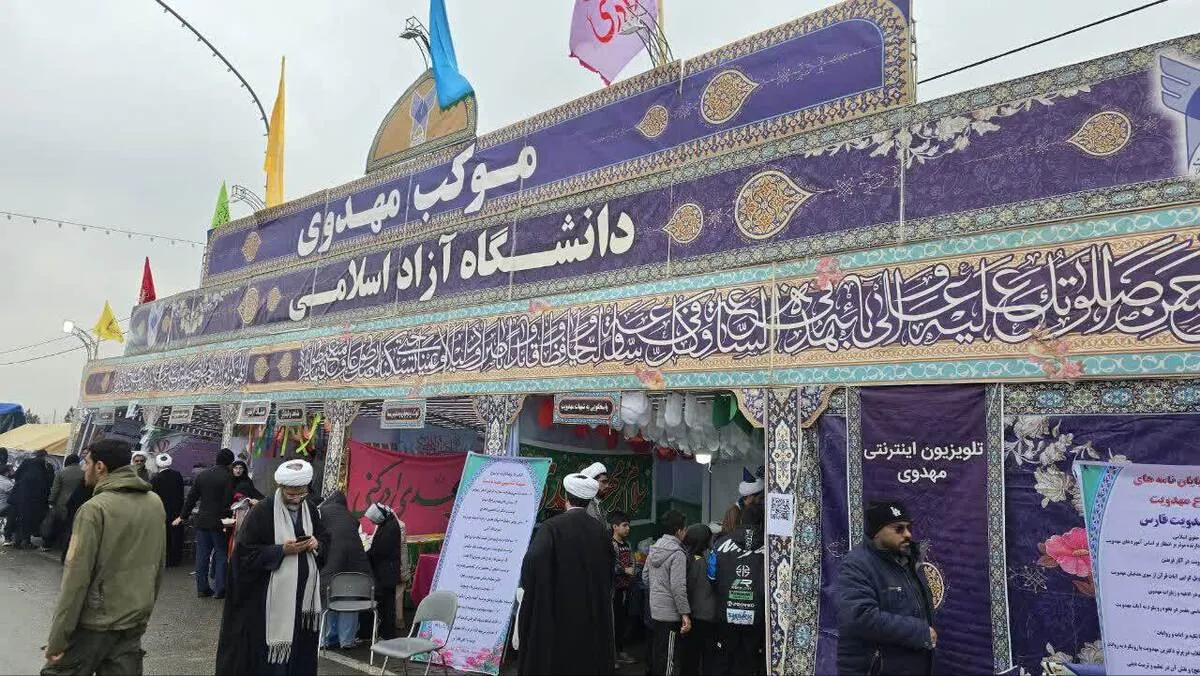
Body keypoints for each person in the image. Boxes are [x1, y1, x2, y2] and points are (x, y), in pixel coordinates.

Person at [41, 440, 166, 676]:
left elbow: (76, 579)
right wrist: (144, 611)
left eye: (86, 463)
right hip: (133, 619)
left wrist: (58, 638)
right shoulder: (154, 503)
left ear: (100, 466)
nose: (83, 469)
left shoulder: (94, 509)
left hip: (95, 623)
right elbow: (158, 565)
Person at [215, 459, 329, 676]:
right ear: (281, 487)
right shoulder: (263, 511)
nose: (296, 498)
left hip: (302, 600)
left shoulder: (311, 509)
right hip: (269, 601)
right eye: (291, 494)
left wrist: (318, 543)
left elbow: (325, 539)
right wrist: (281, 550)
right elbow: (244, 555)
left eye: (301, 493)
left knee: (299, 653)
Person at [517, 473, 615, 676]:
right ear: (589, 501)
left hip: (557, 612)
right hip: (590, 612)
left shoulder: (551, 527)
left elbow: (532, 562)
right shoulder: (600, 530)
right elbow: (608, 569)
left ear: (565, 498)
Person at [836, 501, 936, 676]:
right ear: (876, 532)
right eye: (899, 529)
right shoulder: (857, 565)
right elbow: (860, 617)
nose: (908, 534)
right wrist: (919, 632)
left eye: (908, 528)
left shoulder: (909, 561)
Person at [708, 501, 766, 676]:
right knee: (749, 659)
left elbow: (711, 576)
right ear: (762, 522)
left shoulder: (720, 544)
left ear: (741, 520)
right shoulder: (772, 547)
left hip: (726, 612)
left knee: (723, 658)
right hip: (757, 614)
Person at [177, 448, 235, 598]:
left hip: (202, 521)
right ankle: (220, 589)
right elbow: (229, 500)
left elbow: (191, 498)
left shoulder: (203, 475)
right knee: (221, 554)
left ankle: (202, 588)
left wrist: (183, 515)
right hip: (221, 522)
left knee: (202, 556)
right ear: (230, 462)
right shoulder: (229, 477)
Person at [317, 490, 371, 649]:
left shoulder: (322, 512)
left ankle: (325, 639)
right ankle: (346, 640)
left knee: (326, 601)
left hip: (330, 567)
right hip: (355, 568)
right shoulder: (351, 517)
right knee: (350, 601)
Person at [643, 509, 692, 676]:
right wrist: (685, 613)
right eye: (684, 529)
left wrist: (657, 593)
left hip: (655, 610)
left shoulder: (654, 548)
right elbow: (678, 587)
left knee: (659, 654)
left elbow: (645, 577)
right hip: (671, 614)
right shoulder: (678, 553)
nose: (685, 532)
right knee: (669, 658)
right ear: (678, 530)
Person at [365, 502, 408, 640]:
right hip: (386, 572)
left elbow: (381, 550)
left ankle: (388, 635)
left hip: (387, 573)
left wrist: (367, 554)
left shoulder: (390, 527)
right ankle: (385, 633)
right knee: (385, 605)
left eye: (373, 520)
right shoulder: (387, 524)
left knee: (388, 606)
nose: (373, 522)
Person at [679, 524, 716, 676]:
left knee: (690, 659)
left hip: (694, 615)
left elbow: (687, 588)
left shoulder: (691, 560)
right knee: (708, 659)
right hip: (710, 614)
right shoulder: (711, 557)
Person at [11, 449, 55, 549]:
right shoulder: (47, 466)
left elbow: (17, 476)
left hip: (22, 495)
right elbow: (50, 482)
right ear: (45, 456)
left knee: (21, 518)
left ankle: (18, 541)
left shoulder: (26, 462)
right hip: (37, 498)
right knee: (31, 520)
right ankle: (26, 541)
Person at [609, 510, 636, 667]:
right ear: (615, 526)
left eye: (628, 526)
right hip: (614, 591)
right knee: (614, 623)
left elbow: (632, 561)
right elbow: (609, 565)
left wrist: (632, 569)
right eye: (624, 525)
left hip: (626, 590)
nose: (628, 528)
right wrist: (625, 570)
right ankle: (612, 656)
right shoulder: (610, 545)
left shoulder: (627, 544)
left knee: (622, 622)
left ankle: (620, 651)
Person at [151, 453, 186, 567]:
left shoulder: (155, 478)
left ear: (157, 464)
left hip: (161, 511)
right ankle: (176, 559)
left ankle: (166, 559)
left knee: (165, 536)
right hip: (177, 511)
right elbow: (181, 494)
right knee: (176, 535)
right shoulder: (177, 475)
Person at [47, 455, 85, 551]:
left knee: (58, 523)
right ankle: (67, 546)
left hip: (62, 502)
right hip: (78, 502)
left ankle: (52, 544)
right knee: (71, 525)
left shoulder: (61, 472)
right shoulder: (84, 473)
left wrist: (51, 501)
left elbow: (55, 489)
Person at [720, 468, 764, 533]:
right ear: (750, 496)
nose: (760, 500)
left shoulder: (753, 509)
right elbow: (732, 533)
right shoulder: (734, 511)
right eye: (759, 498)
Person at [580, 462, 614, 526]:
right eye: (603, 482)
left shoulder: (598, 503)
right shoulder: (584, 505)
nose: (607, 486)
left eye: (607, 482)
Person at [0, 464, 13, 538]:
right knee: (16, 509)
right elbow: (16, 493)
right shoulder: (5, 483)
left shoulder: (3, 480)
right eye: (11, 471)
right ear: (6, 473)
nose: (13, 472)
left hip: (2, 505)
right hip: (3, 507)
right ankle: (8, 534)